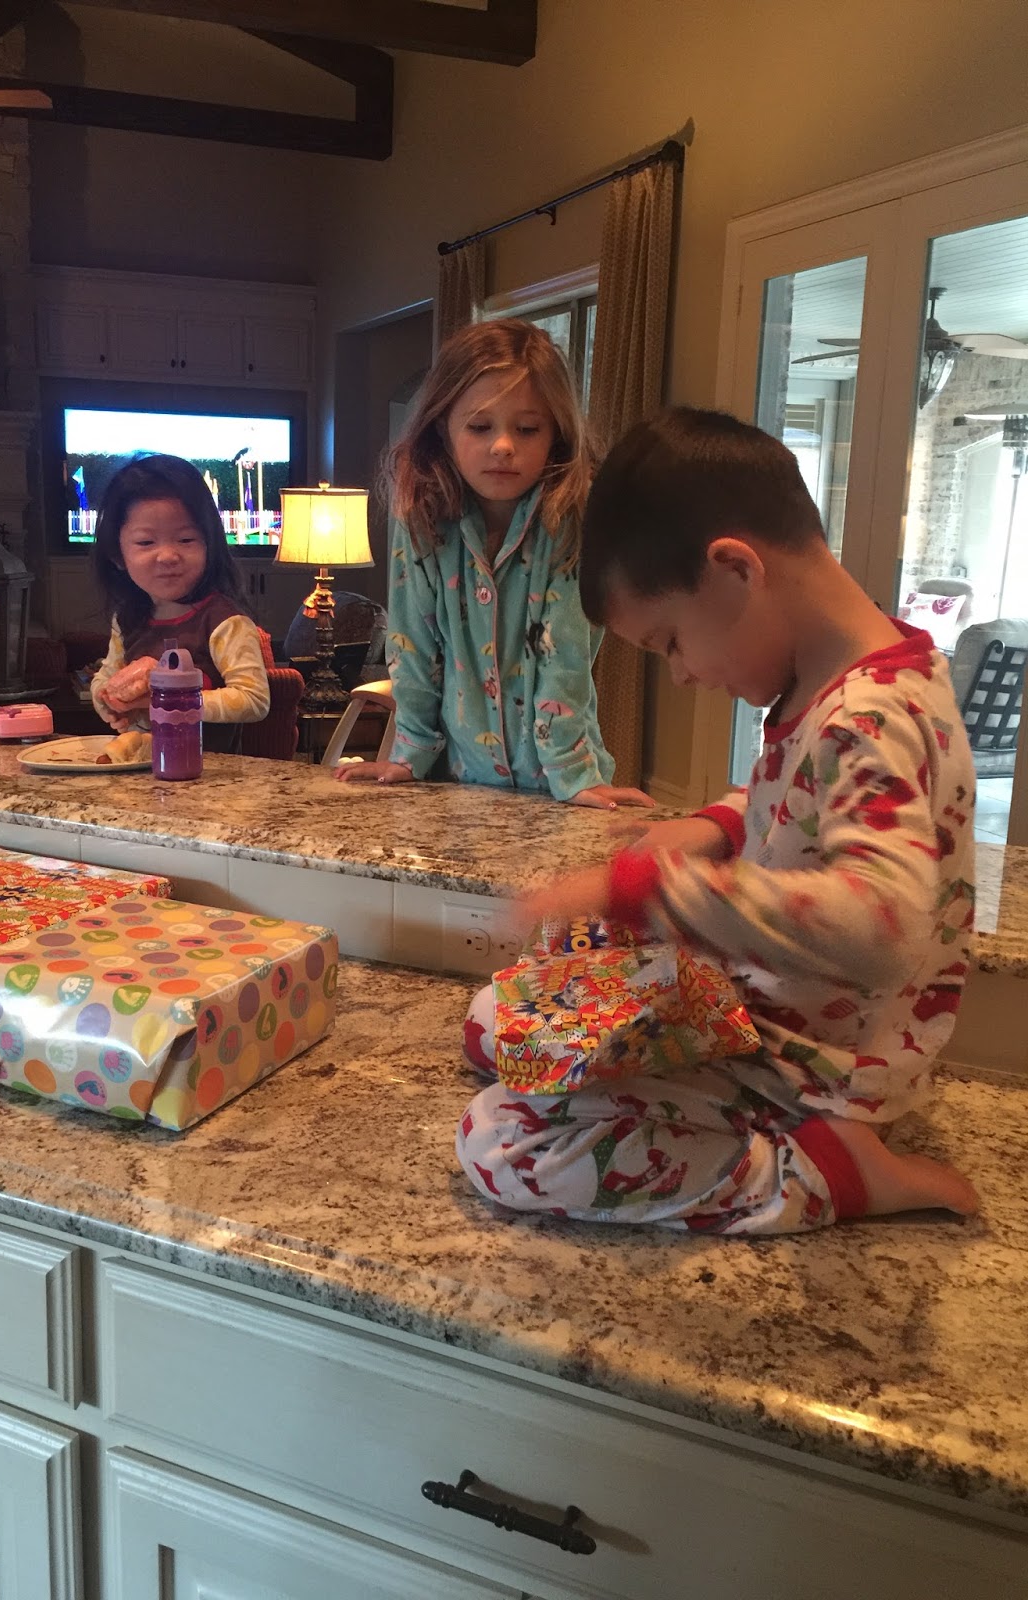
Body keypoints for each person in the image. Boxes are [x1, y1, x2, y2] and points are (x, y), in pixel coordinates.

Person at [457, 407, 979, 1233]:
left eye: (669, 641)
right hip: (771, 1010)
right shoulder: (866, 672)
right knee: (497, 1020)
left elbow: (884, 923)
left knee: (501, 1140)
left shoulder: (866, 718)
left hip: (805, 1061)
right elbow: (808, 799)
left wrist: (650, 889)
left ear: (735, 569)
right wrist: (720, 827)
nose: (684, 674)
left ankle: (824, 1171)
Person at [334, 319, 649, 810]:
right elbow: (411, 643)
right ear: (444, 428)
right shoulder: (422, 517)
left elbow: (565, 656)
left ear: (556, 433)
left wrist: (573, 775)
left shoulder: (573, 517)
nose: (503, 445)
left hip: (562, 784)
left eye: (527, 429)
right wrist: (409, 754)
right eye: (480, 426)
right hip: (453, 782)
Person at [89, 454, 269, 752]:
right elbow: (105, 677)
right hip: (142, 767)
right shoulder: (128, 618)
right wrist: (107, 701)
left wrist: (169, 697)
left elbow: (254, 700)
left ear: (209, 544)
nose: (168, 556)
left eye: (186, 540)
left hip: (210, 771)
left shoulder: (225, 622)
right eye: (146, 542)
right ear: (118, 555)